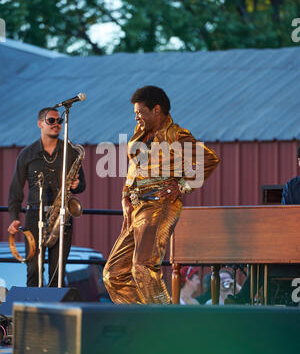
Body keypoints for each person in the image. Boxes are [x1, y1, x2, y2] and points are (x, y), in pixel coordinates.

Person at [103, 85, 220, 304]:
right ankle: (144, 323)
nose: (137, 117)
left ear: (157, 109)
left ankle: (165, 324)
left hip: (159, 203)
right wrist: (125, 196)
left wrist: (183, 185)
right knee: (114, 274)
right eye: (135, 114)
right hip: (137, 208)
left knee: (143, 267)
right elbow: (132, 169)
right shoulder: (140, 135)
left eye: (141, 112)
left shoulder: (175, 134)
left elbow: (209, 159)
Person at [7, 107, 86, 287]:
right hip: (35, 216)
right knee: (33, 270)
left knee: (57, 272)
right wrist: (13, 218)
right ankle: (34, 311)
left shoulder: (71, 151)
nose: (56, 124)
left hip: (62, 217)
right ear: (40, 124)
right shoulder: (26, 154)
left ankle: (54, 312)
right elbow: (15, 191)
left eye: (59, 121)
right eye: (51, 120)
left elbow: (82, 185)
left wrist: (76, 185)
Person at [225, 146, 300, 305]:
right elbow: (285, 217)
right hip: (293, 244)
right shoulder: (293, 186)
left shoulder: (292, 186)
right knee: (263, 256)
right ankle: (244, 298)